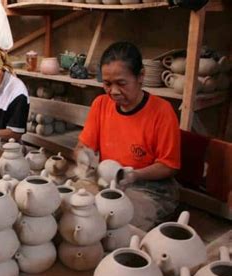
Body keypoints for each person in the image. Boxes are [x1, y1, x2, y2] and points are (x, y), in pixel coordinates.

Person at [74, 41, 181, 231]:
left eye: (121, 83)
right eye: (107, 84)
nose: (113, 91)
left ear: (140, 76)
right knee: (74, 204)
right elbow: (83, 146)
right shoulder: (101, 104)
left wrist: (134, 175)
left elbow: (169, 165)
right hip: (108, 181)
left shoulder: (162, 111)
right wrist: (83, 156)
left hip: (150, 187)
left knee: (117, 220)